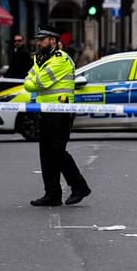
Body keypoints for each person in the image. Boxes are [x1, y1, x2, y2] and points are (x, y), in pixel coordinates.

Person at [26, 27, 90, 207]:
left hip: (60, 112)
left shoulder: (61, 60)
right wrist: (34, 79)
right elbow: (28, 81)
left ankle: (79, 186)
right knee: (46, 154)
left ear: (53, 41)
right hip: (44, 110)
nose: (39, 43)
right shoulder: (41, 59)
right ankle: (52, 194)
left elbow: (38, 82)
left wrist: (34, 79)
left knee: (57, 152)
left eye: (43, 39)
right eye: (39, 40)